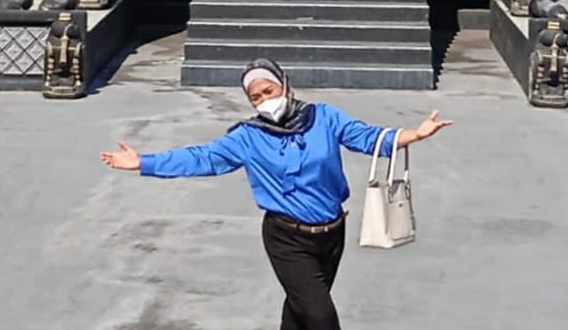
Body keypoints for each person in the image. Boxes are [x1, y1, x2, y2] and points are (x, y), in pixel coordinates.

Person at [100, 57, 452, 330]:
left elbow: (368, 137)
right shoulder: (247, 137)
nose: (265, 101)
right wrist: (143, 162)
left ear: (285, 85)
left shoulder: (324, 117)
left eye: (269, 91)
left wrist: (415, 134)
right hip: (286, 238)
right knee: (321, 317)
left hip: (331, 233)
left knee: (300, 312)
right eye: (256, 97)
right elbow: (202, 158)